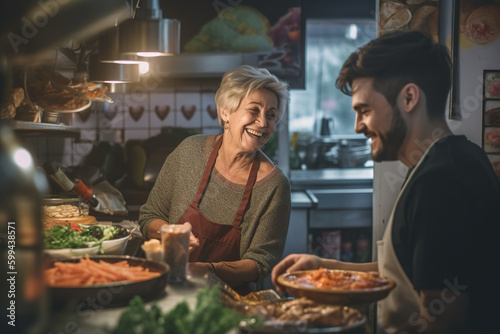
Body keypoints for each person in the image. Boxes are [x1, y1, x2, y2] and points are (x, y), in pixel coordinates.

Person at [272, 31, 500, 333]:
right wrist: (323, 266)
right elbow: (406, 270)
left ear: (408, 98)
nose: (357, 127)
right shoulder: (454, 157)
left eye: (364, 110)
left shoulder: (439, 183)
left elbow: (443, 321)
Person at [139, 65, 291, 293]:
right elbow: (149, 216)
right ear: (225, 112)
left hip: (228, 300)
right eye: (254, 110)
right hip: (167, 290)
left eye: (271, 115)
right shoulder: (189, 152)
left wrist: (207, 270)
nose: (262, 123)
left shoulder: (274, 186)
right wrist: (171, 234)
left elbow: (260, 262)